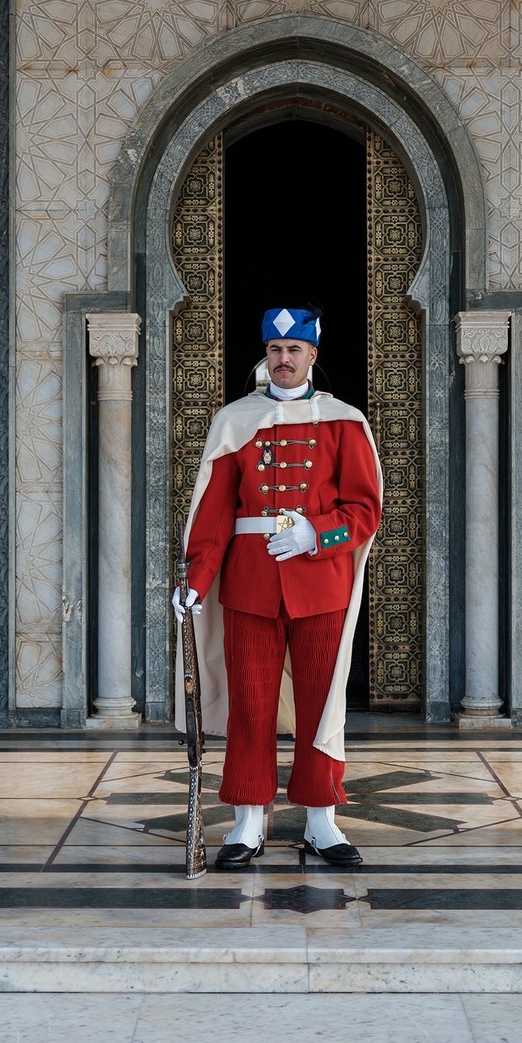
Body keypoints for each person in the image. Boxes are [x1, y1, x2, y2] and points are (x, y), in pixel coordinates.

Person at [173, 307, 383, 869]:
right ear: (265, 356)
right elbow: (214, 514)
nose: (283, 360)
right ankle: (247, 823)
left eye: (294, 351)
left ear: (313, 355)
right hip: (251, 584)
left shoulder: (344, 421)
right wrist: (195, 580)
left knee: (321, 704)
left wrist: (318, 534)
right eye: (274, 350)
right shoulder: (234, 420)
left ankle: (322, 823)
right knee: (251, 704)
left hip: (321, 583)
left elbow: (366, 509)